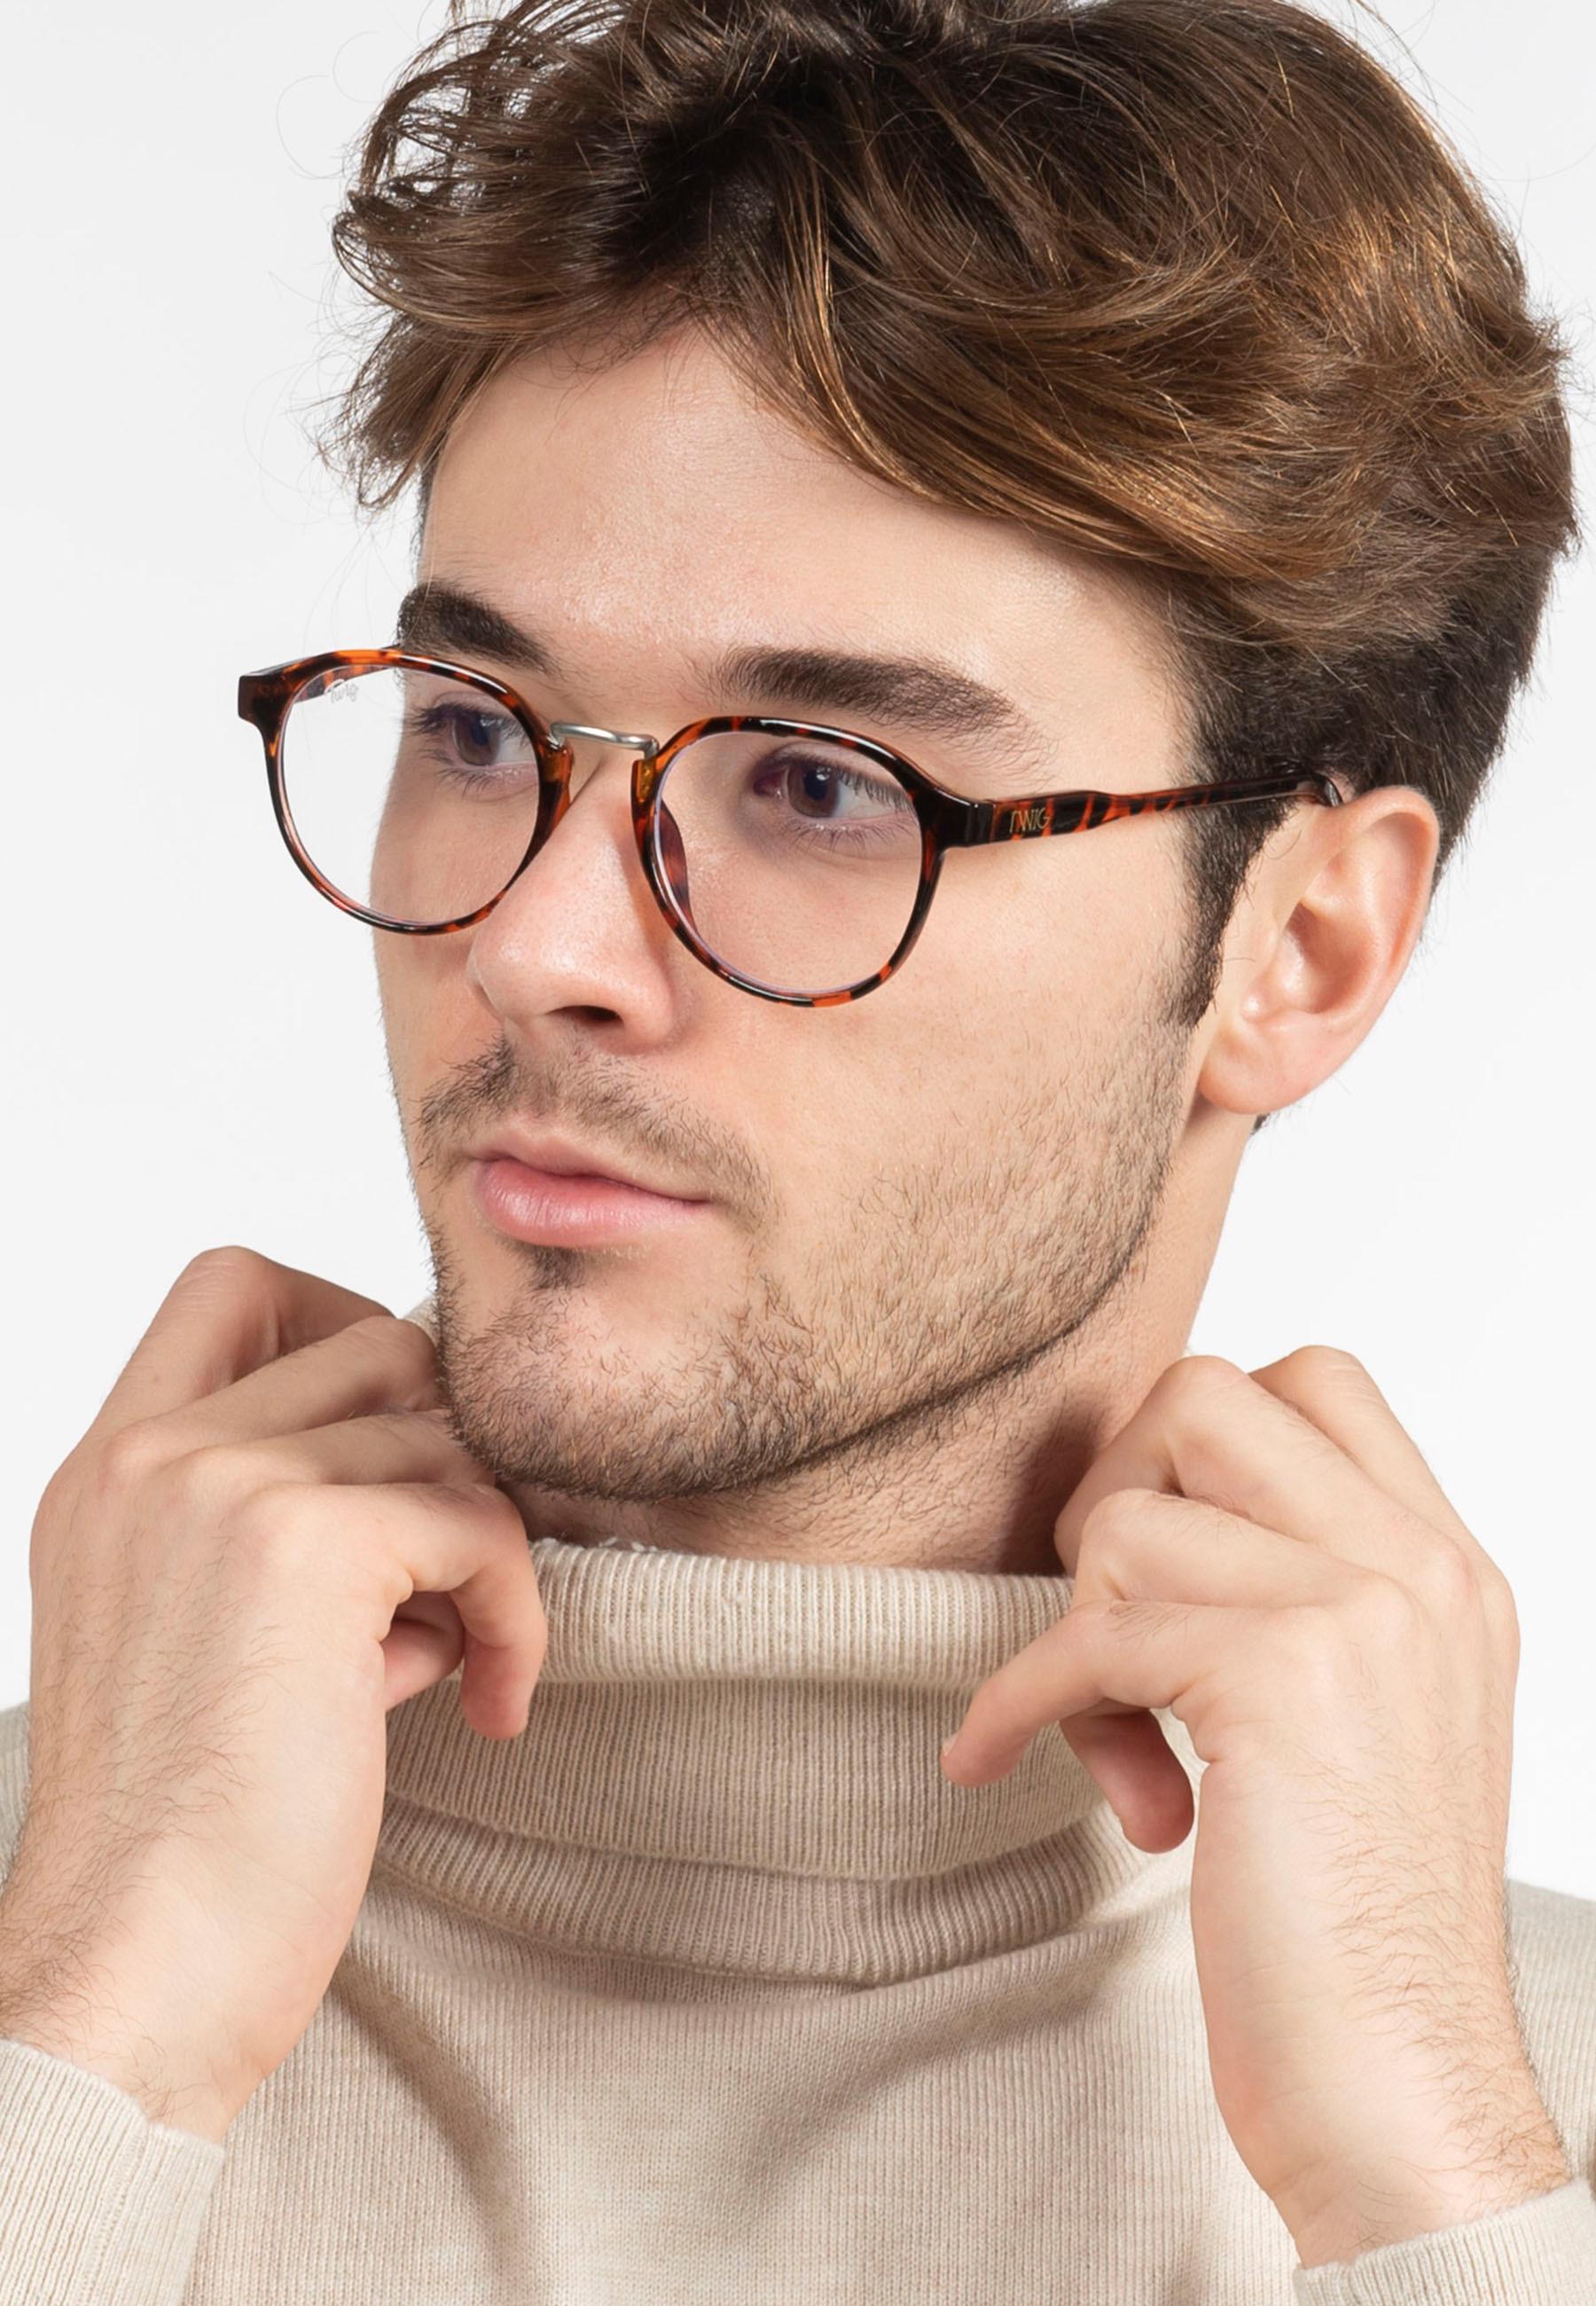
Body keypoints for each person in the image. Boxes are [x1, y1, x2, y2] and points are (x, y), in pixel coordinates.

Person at [1, 0, 1592, 2298]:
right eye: (474, 722)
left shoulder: (1519, 2138)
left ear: (1306, 949)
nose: (541, 941)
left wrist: (1432, 2205)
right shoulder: (50, 1975)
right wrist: (80, 2064)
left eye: (824, 786)